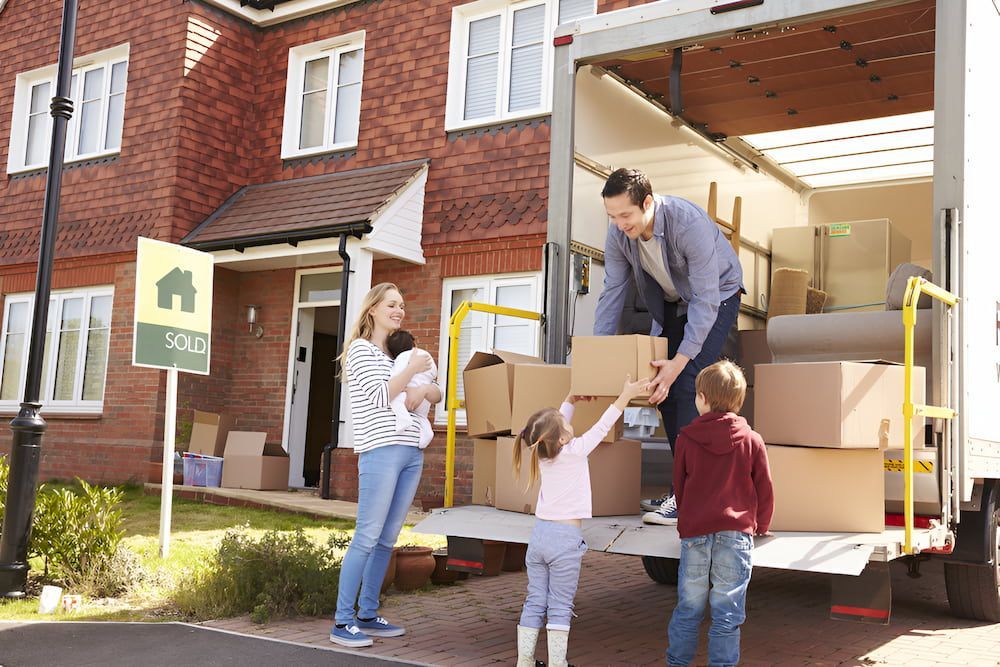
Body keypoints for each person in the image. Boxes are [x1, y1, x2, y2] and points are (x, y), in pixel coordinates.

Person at [593, 168, 744, 525]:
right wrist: (594, 356)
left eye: (625, 215)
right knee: (661, 387)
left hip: (718, 297)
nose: (619, 224)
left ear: (647, 202)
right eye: (611, 216)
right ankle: (683, 486)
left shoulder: (687, 223)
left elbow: (706, 299)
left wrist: (679, 361)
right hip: (676, 303)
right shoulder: (618, 234)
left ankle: (690, 492)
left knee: (687, 383)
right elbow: (612, 292)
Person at [330, 283, 442, 648]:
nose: (399, 310)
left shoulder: (399, 353)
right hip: (380, 450)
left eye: (402, 305)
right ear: (373, 310)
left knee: (387, 539)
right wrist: (411, 373)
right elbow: (381, 396)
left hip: (411, 452)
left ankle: (367, 613)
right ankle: (342, 622)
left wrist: (421, 386)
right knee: (366, 535)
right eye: (392, 304)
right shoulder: (361, 351)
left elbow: (427, 392)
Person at [513, 376, 651, 667]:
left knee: (535, 601)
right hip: (564, 541)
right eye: (564, 425)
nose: (568, 424)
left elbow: (551, 427)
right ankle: (557, 663)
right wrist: (625, 395)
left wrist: (571, 398)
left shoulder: (542, 455)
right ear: (562, 438)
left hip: (539, 537)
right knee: (560, 606)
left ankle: (524, 662)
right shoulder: (574, 452)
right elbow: (603, 425)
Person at [666, 360, 773, 667]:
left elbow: (680, 485)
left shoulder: (686, 438)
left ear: (701, 397)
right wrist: (762, 523)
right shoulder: (752, 440)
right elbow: (764, 487)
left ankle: (677, 663)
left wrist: (685, 519)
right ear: (739, 400)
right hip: (736, 535)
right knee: (727, 613)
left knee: (689, 607)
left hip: (696, 533)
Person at [386, 329, 438, 448]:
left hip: (407, 397)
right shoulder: (426, 355)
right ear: (413, 343)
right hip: (424, 400)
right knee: (422, 417)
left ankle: (403, 419)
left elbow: (395, 377)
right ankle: (427, 433)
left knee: (394, 400)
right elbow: (434, 373)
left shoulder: (402, 358)